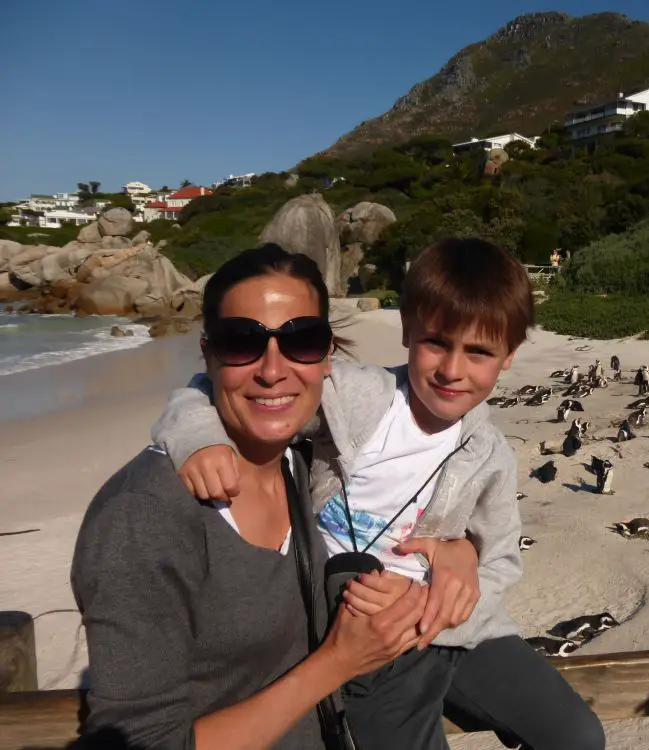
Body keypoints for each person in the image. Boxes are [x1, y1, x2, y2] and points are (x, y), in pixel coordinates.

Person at [152, 237, 606, 750]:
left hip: (456, 630)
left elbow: (500, 562)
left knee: (579, 735)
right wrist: (199, 441)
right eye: (437, 343)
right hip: (367, 636)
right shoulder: (355, 396)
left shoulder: (491, 453)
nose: (453, 370)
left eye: (479, 352)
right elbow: (204, 389)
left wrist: (455, 572)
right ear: (409, 329)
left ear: (508, 357)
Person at [71, 245, 430, 750]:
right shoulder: (145, 516)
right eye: (241, 342)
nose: (272, 369)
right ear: (208, 354)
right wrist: (338, 662)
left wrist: (458, 553)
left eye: (302, 340)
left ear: (327, 355)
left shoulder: (301, 462)